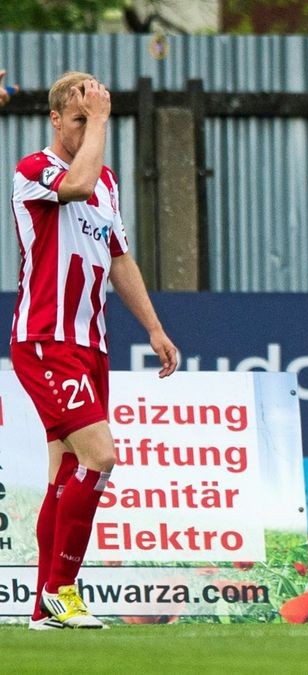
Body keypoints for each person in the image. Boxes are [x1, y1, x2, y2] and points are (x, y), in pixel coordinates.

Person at [10, 71, 179, 630]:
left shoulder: (105, 181)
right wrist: (103, 118)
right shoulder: (34, 170)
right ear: (55, 120)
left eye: (93, 118)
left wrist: (154, 328)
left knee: (64, 470)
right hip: (46, 340)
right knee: (101, 458)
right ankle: (62, 590)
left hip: (90, 344)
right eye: (78, 119)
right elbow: (75, 187)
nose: (87, 128)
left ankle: (43, 610)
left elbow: (120, 259)